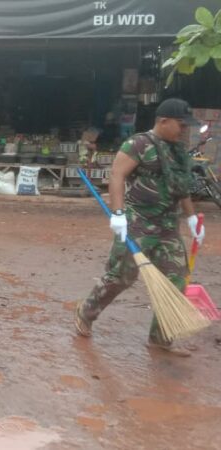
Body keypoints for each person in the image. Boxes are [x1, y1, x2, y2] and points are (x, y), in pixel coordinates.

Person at [74, 98, 206, 356]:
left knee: (176, 280)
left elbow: (182, 187)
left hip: (168, 226)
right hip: (138, 222)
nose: (183, 130)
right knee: (121, 276)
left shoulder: (177, 150)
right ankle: (86, 311)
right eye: (180, 125)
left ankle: (161, 338)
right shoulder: (138, 144)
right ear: (163, 121)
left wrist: (191, 219)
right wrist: (119, 214)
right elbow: (117, 175)